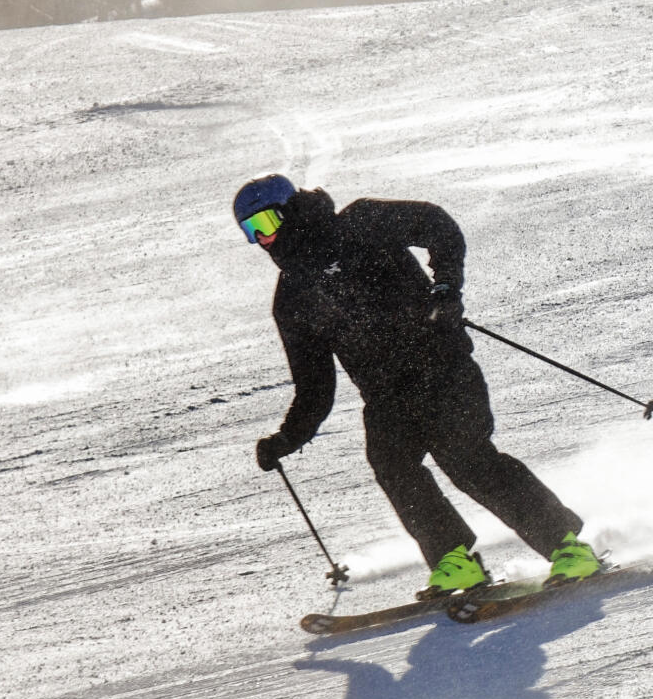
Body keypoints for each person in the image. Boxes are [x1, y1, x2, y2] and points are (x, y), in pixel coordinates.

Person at [234, 174, 600, 596]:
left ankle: (568, 547)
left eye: (265, 224)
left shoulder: (359, 222)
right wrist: (286, 439)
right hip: (386, 397)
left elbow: (438, 225)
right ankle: (454, 559)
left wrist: (446, 289)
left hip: (441, 368)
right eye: (251, 232)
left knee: (468, 461)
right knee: (392, 464)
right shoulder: (292, 297)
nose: (263, 240)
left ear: (291, 209)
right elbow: (316, 386)